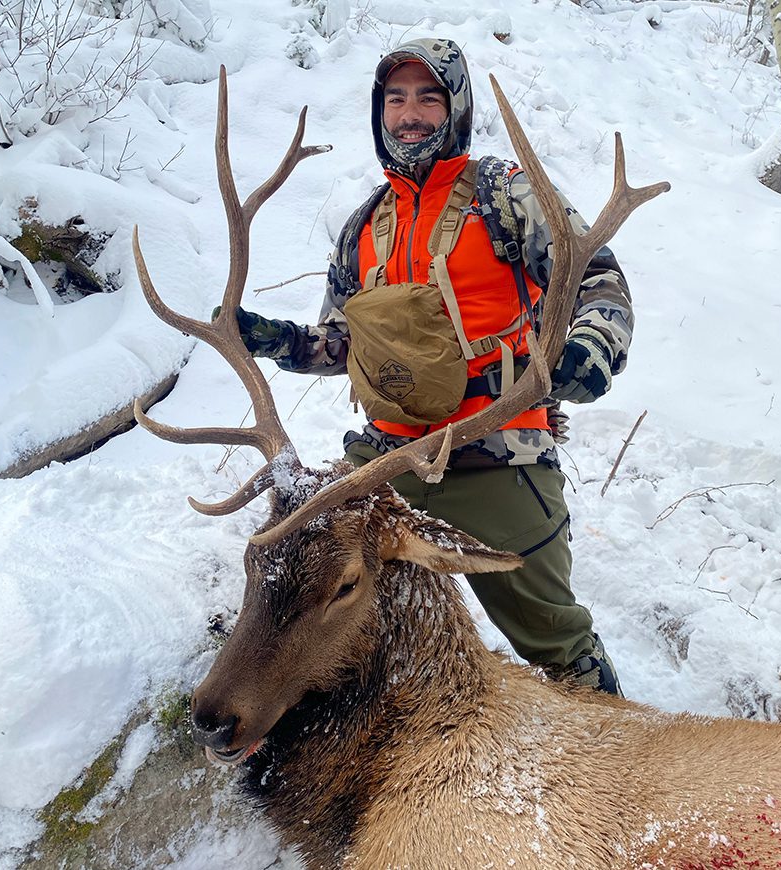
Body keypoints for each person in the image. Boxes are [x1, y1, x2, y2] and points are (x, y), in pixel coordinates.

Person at [230, 38, 632, 695]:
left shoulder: (506, 194)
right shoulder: (363, 227)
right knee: (299, 595)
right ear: (379, 112)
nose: (409, 113)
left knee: (555, 641)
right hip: (386, 460)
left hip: (496, 451)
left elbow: (597, 280)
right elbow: (345, 343)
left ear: (455, 107)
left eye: (427, 96)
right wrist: (280, 340)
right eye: (396, 99)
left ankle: (622, 773)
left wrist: (591, 349)